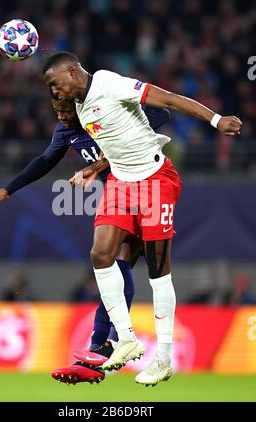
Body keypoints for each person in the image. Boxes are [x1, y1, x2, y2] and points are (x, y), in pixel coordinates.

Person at [42, 51, 242, 386]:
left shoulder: (109, 82)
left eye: (54, 83)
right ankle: (127, 339)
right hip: (121, 182)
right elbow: (116, 142)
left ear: (73, 72)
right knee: (100, 255)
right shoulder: (77, 108)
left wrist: (216, 120)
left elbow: (169, 100)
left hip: (155, 179)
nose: (54, 91)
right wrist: (95, 167)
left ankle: (163, 357)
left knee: (157, 270)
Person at [0, 95, 170, 383]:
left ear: (79, 107)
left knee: (124, 263)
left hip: (146, 184)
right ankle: (104, 345)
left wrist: (134, 129)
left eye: (65, 109)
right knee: (114, 263)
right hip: (117, 194)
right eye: (56, 110)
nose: (61, 115)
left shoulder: (105, 112)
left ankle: (112, 343)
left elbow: (161, 113)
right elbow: (45, 160)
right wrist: (8, 189)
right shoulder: (66, 131)